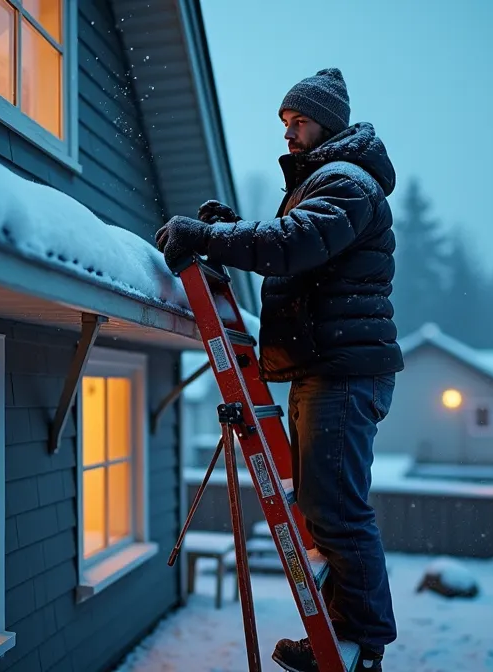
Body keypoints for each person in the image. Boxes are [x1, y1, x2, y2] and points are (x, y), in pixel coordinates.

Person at [154, 67, 402, 671]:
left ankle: (362, 648)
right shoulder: (327, 181)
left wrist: (212, 238)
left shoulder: (347, 182)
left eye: (300, 122)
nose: (289, 134)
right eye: (285, 123)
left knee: (337, 508)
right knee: (323, 507)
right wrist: (223, 230)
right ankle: (344, 632)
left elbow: (291, 244)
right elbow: (292, 248)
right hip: (323, 365)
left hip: (343, 371)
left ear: (329, 125)